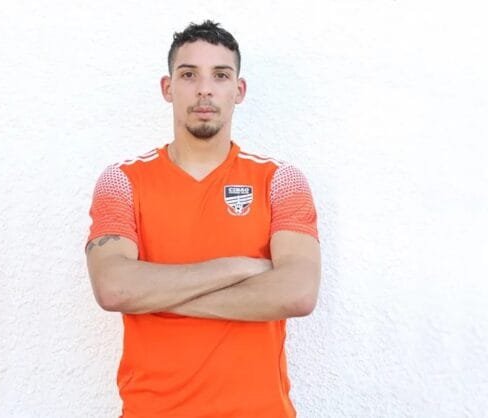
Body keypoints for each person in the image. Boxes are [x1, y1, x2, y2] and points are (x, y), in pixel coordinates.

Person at [85, 20, 321, 418]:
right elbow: (114, 288)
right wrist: (241, 267)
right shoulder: (122, 181)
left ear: (239, 90)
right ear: (168, 88)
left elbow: (297, 293)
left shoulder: (280, 181)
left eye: (221, 75)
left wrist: (156, 296)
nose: (204, 89)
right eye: (189, 74)